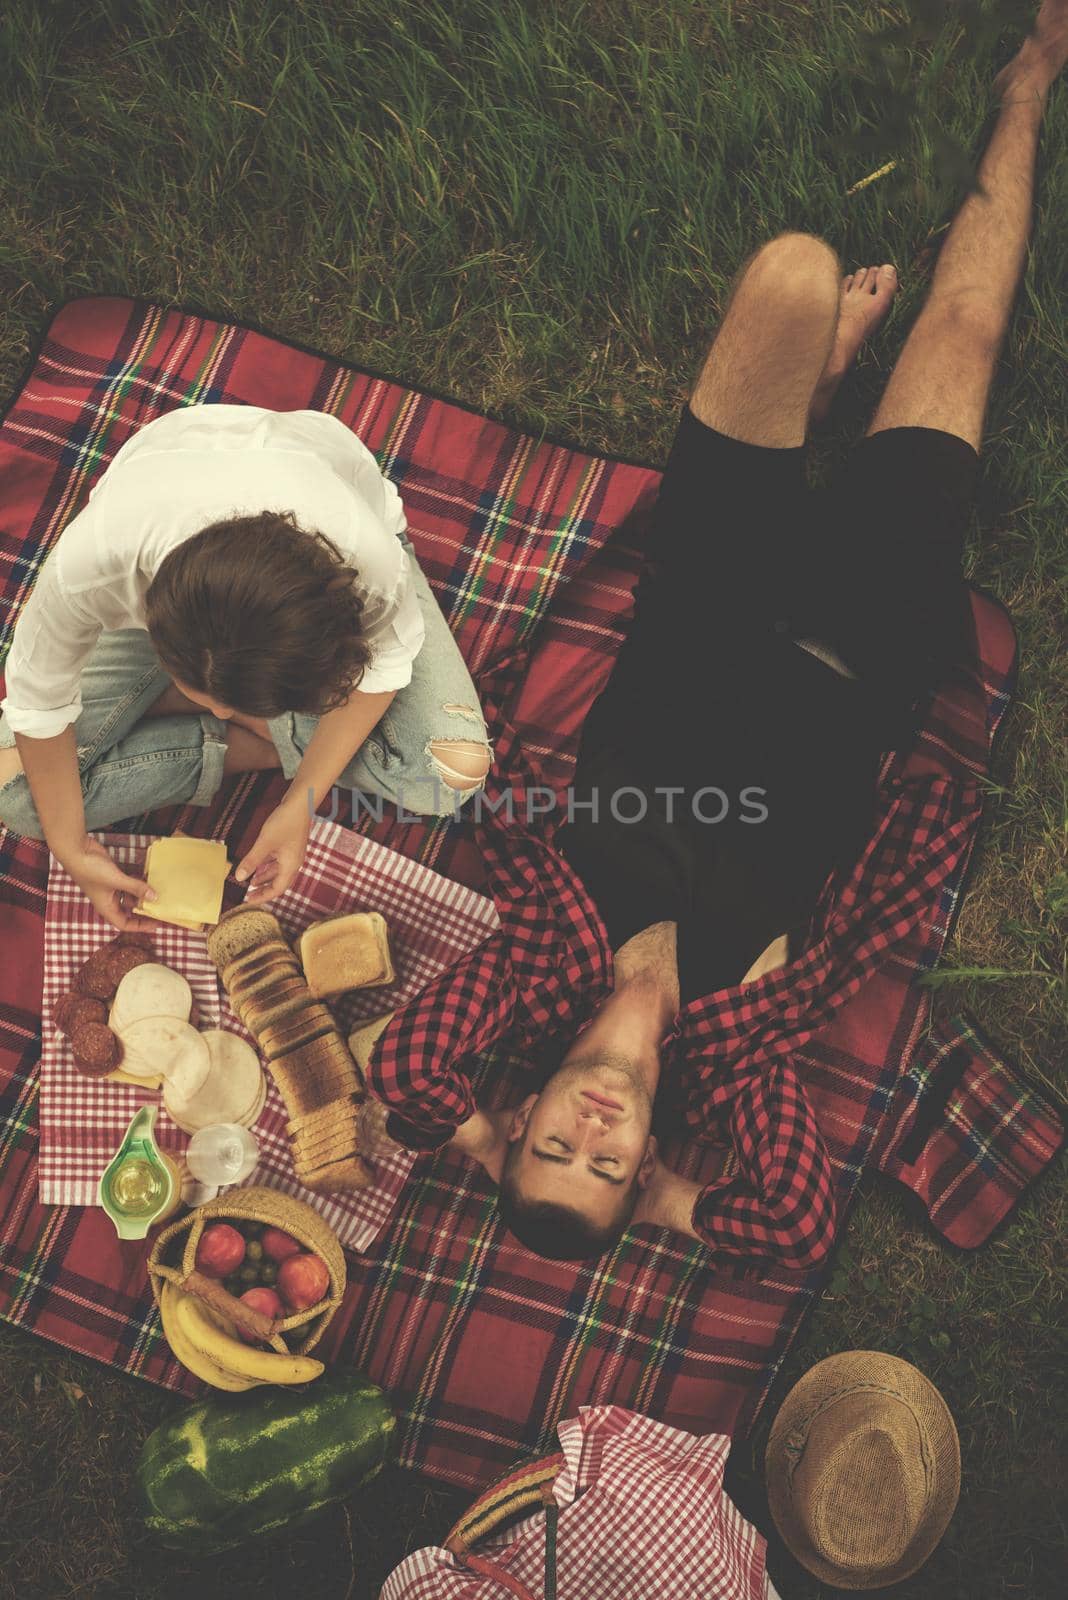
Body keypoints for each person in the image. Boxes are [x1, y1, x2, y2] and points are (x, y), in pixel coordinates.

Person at [360, 2, 1067, 1264]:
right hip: (862, 636)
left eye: (548, 1146)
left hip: (709, 593)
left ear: (521, 1118)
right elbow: (789, 1223)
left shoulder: (535, 968)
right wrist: (676, 1206)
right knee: (963, 336)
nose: (592, 1130)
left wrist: (467, 1137)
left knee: (794, 268)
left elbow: (404, 1076)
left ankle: (819, 378)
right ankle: (1031, 84)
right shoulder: (741, 1058)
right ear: (641, 1167)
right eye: (610, 1167)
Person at [0, 405, 491, 928]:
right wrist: (72, 848)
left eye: (233, 703)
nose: (217, 708)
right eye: (207, 695)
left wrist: (299, 803)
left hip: (318, 563)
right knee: (16, 794)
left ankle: (225, 725)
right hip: (172, 576)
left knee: (450, 779)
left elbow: (382, 675)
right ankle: (254, 730)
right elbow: (38, 707)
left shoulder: (366, 572)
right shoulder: (90, 566)